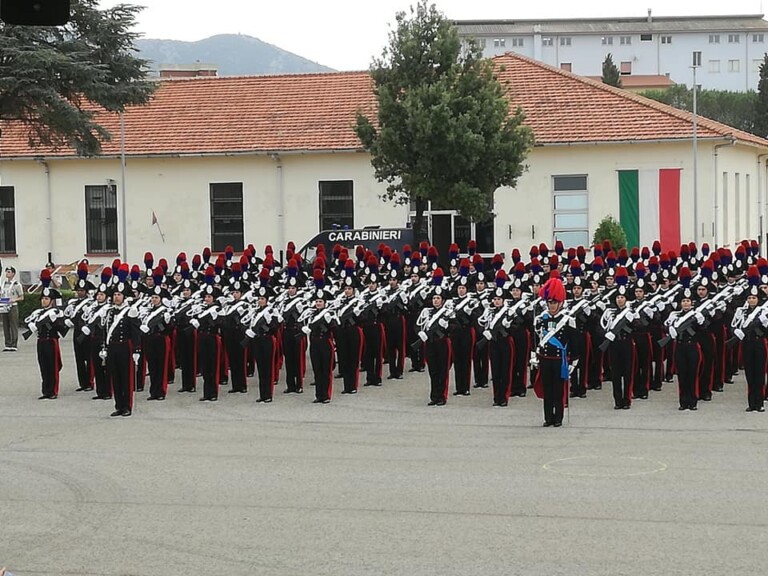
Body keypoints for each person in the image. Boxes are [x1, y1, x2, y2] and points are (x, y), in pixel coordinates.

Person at [533, 276, 574, 427]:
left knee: (558, 389)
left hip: (559, 360)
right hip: (545, 358)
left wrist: (573, 362)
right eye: (549, 302)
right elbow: (536, 339)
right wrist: (534, 356)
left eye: (554, 302)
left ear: (561, 303)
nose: (551, 305)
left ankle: (558, 418)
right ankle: (548, 417)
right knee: (547, 389)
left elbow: (574, 342)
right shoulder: (541, 319)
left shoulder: (567, 320)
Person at [1, 265, 24, 351]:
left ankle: (14, 344)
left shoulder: (17, 284)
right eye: (6, 271)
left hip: (12, 306)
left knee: (13, 325)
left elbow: (21, 297)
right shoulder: (3, 284)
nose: (7, 273)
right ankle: (7, 344)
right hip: (3, 305)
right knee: (5, 325)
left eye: (9, 272)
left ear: (13, 274)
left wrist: (14, 299)